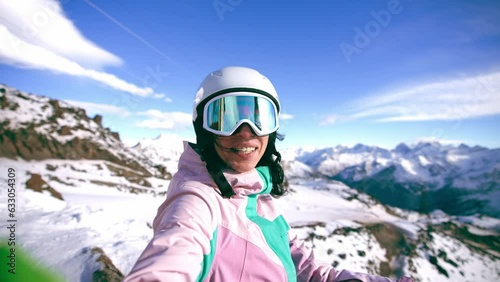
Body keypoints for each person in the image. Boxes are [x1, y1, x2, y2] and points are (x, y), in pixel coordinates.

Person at [124, 66, 413, 282]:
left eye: (259, 116)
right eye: (225, 117)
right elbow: (171, 257)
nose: (246, 131)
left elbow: (306, 270)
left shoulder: (257, 197)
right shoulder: (196, 202)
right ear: (205, 130)